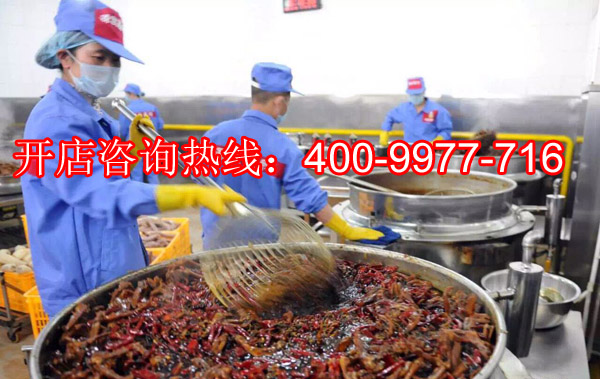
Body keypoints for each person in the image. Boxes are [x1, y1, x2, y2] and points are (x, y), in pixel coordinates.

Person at [21, 0, 245, 317]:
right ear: (65, 57)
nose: (109, 67)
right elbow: (97, 191)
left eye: (115, 60)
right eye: (99, 57)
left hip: (111, 267)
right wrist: (187, 194)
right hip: (83, 284)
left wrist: (132, 152)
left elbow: (106, 174)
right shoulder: (55, 121)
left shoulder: (92, 114)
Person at [201, 62, 383, 247]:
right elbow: (311, 198)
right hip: (259, 251)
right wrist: (346, 230)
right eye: (287, 102)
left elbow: (199, 179)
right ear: (279, 102)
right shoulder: (282, 148)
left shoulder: (214, 135)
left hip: (214, 245)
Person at [380, 77, 453, 146]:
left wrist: (439, 140)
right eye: (412, 94)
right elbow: (390, 117)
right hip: (409, 151)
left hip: (429, 151)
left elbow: (446, 131)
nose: (414, 97)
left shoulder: (438, 111)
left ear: (424, 91)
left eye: (417, 94)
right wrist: (385, 131)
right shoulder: (404, 109)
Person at [119, 83, 164, 184]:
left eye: (126, 94)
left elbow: (123, 130)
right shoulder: (152, 108)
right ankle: (155, 193)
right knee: (153, 173)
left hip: (135, 145)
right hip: (152, 143)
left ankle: (138, 194)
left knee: (136, 175)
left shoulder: (127, 110)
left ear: (131, 94)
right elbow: (160, 125)